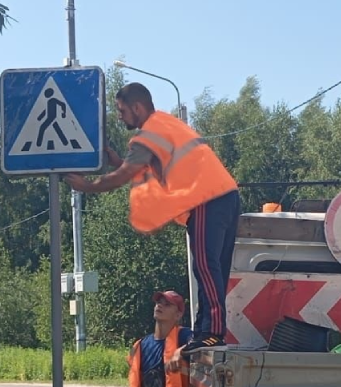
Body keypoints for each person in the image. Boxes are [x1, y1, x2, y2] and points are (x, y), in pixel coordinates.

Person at [65, 83, 241, 355]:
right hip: (225, 195)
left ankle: (212, 333)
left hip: (207, 198)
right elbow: (148, 167)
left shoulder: (148, 135)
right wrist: (118, 162)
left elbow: (125, 175)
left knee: (206, 268)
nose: (120, 116)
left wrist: (87, 186)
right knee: (212, 268)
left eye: (122, 111)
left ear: (137, 107)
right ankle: (207, 329)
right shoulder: (164, 124)